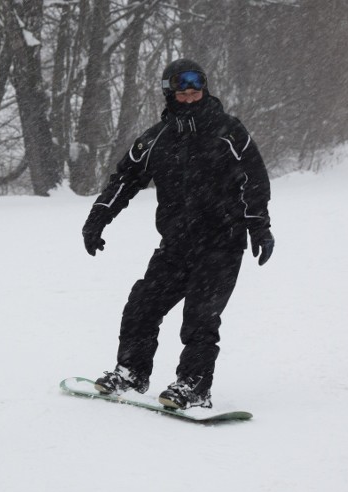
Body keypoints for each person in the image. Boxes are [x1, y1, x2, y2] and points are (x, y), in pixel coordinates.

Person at [81, 58, 274, 410]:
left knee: (201, 318)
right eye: (182, 90)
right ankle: (131, 373)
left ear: (205, 88)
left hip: (222, 243)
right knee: (142, 305)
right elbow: (124, 179)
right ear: (170, 92)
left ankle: (194, 386)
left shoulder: (229, 132)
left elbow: (254, 180)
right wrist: (98, 218)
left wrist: (259, 225)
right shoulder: (157, 139)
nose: (190, 95)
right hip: (176, 245)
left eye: (196, 88)